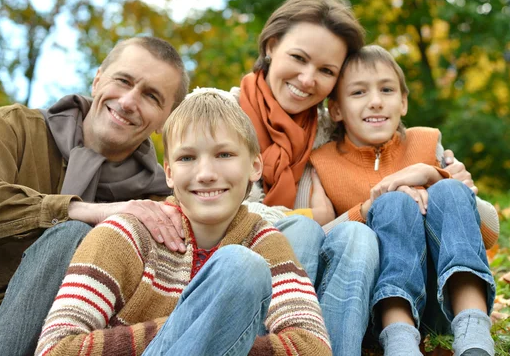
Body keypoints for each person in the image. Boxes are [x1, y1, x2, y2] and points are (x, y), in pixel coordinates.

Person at [230, 0, 484, 355]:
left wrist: (443, 180)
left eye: (326, 70)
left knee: (410, 209)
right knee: (361, 222)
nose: (306, 79)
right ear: (270, 45)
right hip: (265, 264)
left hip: (428, 291)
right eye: (298, 57)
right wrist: (374, 203)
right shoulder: (223, 116)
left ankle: (471, 331)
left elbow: (483, 229)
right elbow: (313, 227)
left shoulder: (331, 131)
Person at [0, 36, 190, 356]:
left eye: (151, 96)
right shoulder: (16, 127)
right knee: (74, 227)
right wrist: (81, 210)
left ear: (165, 120)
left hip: (54, 347)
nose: (129, 101)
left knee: (73, 237)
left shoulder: (158, 204)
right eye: (123, 81)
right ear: (97, 80)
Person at [35, 89, 332, 355]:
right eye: (187, 158)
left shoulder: (266, 242)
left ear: (255, 166)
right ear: (169, 173)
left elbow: (312, 348)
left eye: (224, 154)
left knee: (242, 267)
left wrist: (216, 335)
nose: (205, 173)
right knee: (240, 267)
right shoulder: (125, 235)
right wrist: (194, 321)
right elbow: (56, 348)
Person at [310, 45, 498, 356]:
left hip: (444, 301)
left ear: (404, 101)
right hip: (377, 308)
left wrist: (435, 176)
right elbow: (316, 241)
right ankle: (400, 342)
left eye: (386, 89)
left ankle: (474, 333)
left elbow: (489, 231)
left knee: (449, 191)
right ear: (336, 109)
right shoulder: (322, 163)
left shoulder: (427, 142)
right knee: (392, 205)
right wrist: (367, 209)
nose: (375, 102)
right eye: (358, 93)